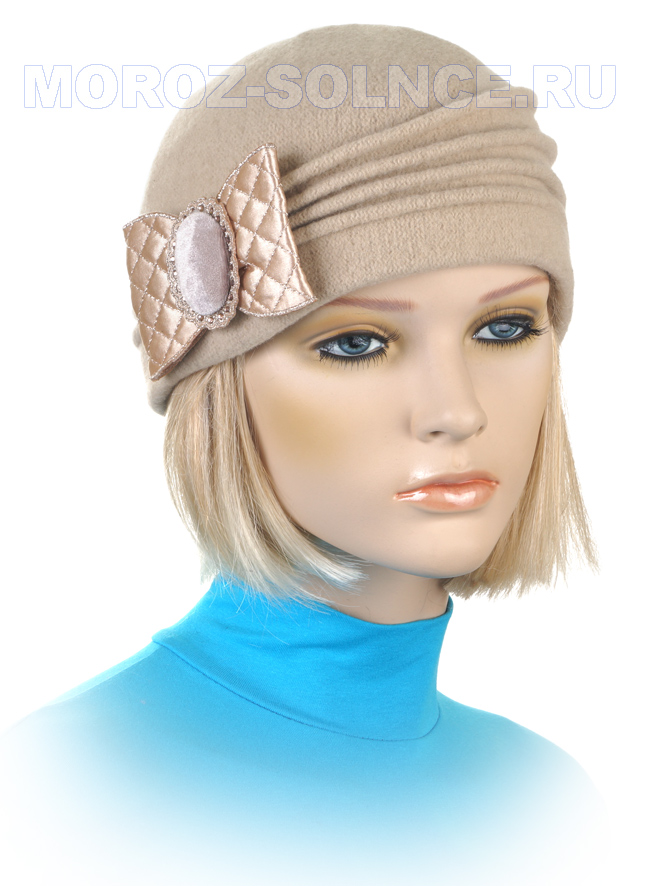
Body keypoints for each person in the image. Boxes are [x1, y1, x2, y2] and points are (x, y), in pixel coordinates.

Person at [0, 24, 606, 886]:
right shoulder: (61, 793)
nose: (456, 411)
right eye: (357, 343)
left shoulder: (546, 803)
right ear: (218, 381)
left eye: (504, 329)